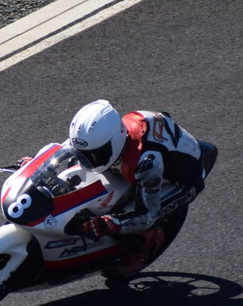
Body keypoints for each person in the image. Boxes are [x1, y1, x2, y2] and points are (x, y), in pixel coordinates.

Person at [66, 99, 210, 275]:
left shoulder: (147, 162)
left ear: (114, 143)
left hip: (182, 182)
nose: (88, 160)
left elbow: (147, 215)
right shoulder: (103, 135)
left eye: (95, 155)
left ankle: (146, 243)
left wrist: (107, 224)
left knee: (124, 215)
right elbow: (67, 149)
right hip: (156, 146)